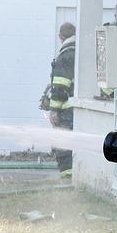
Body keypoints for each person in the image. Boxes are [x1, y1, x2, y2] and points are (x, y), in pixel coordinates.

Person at [43, 22, 76, 175]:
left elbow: (60, 85)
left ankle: (67, 178)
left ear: (60, 37)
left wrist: (54, 110)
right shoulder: (81, 51)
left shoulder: (65, 55)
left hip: (66, 110)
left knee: (63, 145)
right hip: (77, 109)